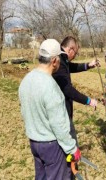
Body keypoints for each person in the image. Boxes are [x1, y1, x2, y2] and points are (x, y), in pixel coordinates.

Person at [19, 39, 81, 179]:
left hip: (35, 142)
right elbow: (58, 125)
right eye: (59, 59)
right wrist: (72, 149)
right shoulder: (51, 87)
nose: (60, 62)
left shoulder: (26, 80)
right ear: (54, 61)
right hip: (52, 146)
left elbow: (24, 111)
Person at [52, 36, 98, 142]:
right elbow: (67, 89)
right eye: (75, 53)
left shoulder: (62, 58)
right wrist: (88, 101)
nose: (75, 56)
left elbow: (70, 67)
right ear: (70, 49)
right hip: (60, 110)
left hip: (61, 108)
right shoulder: (58, 59)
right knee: (69, 141)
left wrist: (88, 65)